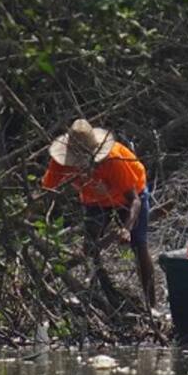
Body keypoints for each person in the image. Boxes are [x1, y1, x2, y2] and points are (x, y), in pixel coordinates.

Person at [42, 118, 156, 309]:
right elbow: (46, 189)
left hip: (129, 195)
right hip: (94, 201)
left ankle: (152, 306)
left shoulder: (112, 159)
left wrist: (126, 229)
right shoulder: (61, 162)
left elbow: (134, 200)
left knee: (139, 244)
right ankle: (96, 295)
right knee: (90, 247)